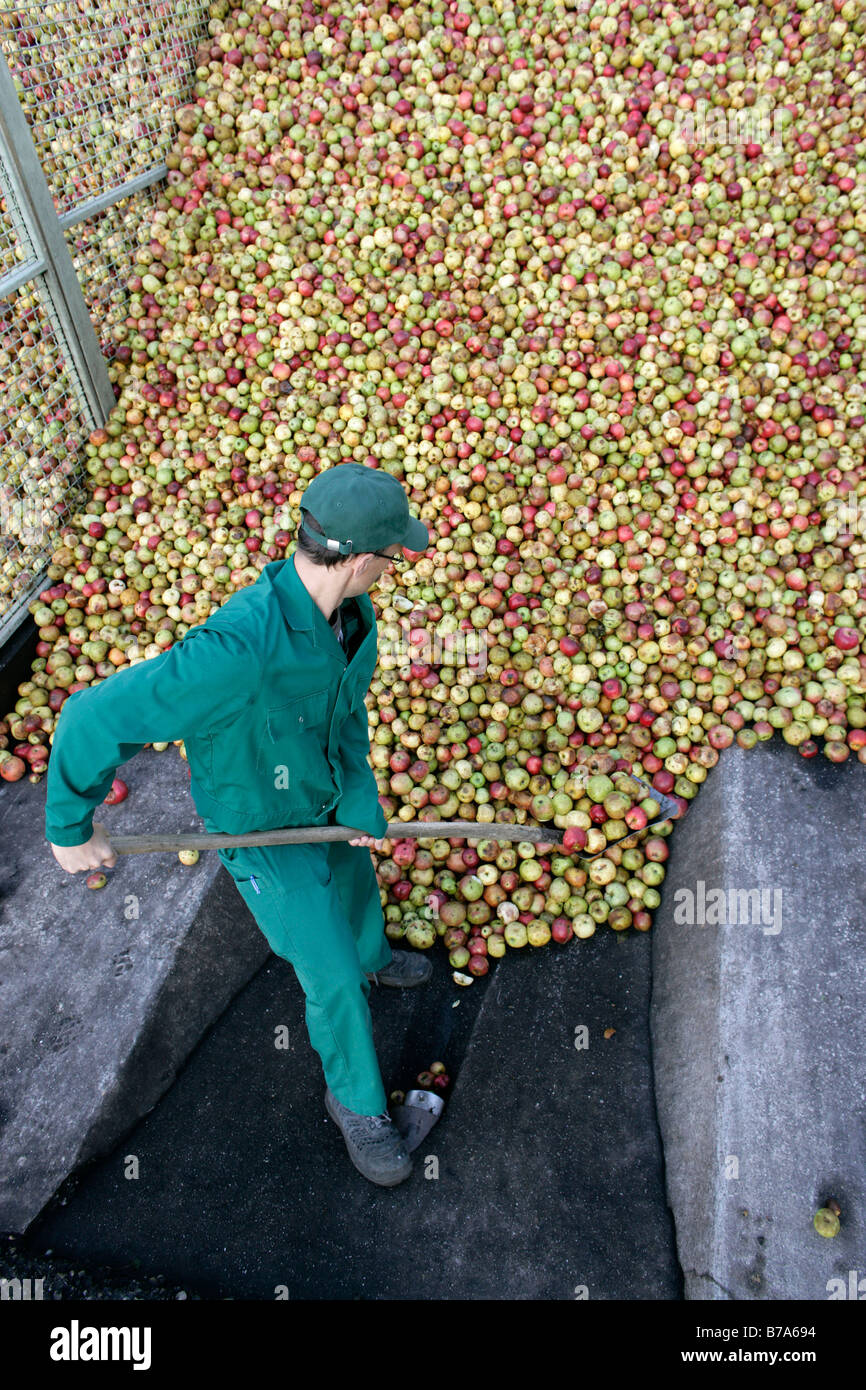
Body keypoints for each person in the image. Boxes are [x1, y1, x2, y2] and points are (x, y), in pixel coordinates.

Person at [45, 463, 431, 1187]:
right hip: (260, 831)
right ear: (356, 560)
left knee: (355, 887)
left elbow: (345, 712)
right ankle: (356, 1103)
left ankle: (376, 954)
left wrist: (357, 791)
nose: (393, 570)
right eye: (391, 559)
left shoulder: (353, 621)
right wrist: (69, 825)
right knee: (331, 978)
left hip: (323, 804)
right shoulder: (236, 652)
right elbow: (92, 717)